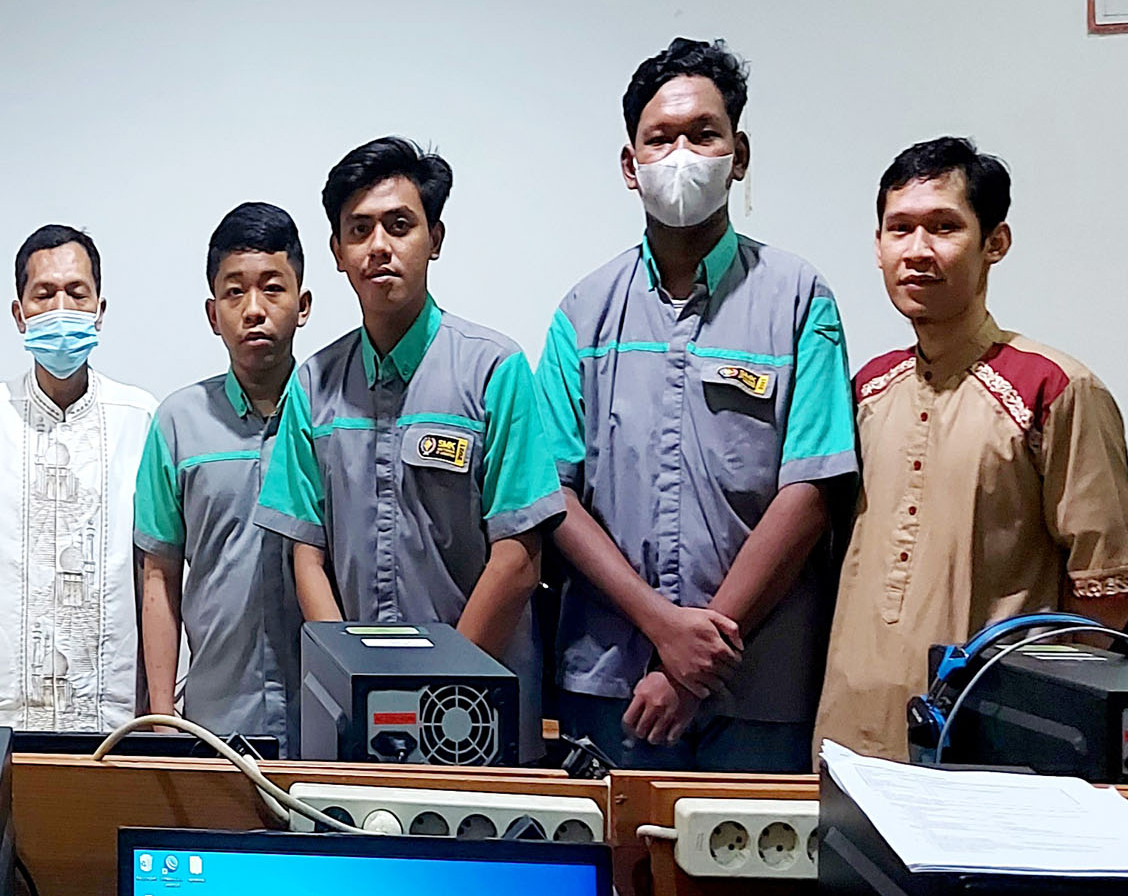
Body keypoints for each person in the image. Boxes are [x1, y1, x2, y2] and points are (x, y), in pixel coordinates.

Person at [536, 38, 857, 772]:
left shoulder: (799, 299)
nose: (681, 154)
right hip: (612, 682)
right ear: (630, 164)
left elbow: (810, 490)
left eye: (703, 134)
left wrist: (696, 659)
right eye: (661, 138)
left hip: (758, 684)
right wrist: (662, 628)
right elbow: (555, 495)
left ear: (739, 154)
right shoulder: (583, 313)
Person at [815, 138, 1128, 758]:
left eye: (944, 227)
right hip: (849, 731)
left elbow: (1106, 594)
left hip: (989, 741)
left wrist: (1052, 730)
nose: (917, 251)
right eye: (899, 229)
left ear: (995, 243)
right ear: (877, 246)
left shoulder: (1056, 389)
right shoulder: (865, 389)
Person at [251, 142, 564, 758]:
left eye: (399, 225)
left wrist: (440, 698)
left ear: (434, 239)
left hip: (480, 719)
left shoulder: (494, 370)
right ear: (338, 252)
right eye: (359, 230)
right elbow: (306, 555)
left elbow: (518, 558)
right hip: (356, 722)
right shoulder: (313, 386)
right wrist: (357, 685)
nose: (379, 246)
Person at [0, 224, 158, 731]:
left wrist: (158, 707)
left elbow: (154, 572)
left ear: (100, 310)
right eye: (44, 295)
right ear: (19, 314)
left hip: (112, 711)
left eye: (76, 293)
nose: (61, 309)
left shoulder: (141, 419)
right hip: (2, 709)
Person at [134, 203, 311, 748]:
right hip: (214, 721)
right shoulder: (177, 423)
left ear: (303, 305)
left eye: (273, 289)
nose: (254, 309)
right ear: (213, 314)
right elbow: (159, 574)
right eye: (235, 292)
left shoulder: (333, 414)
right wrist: (161, 717)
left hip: (326, 718)